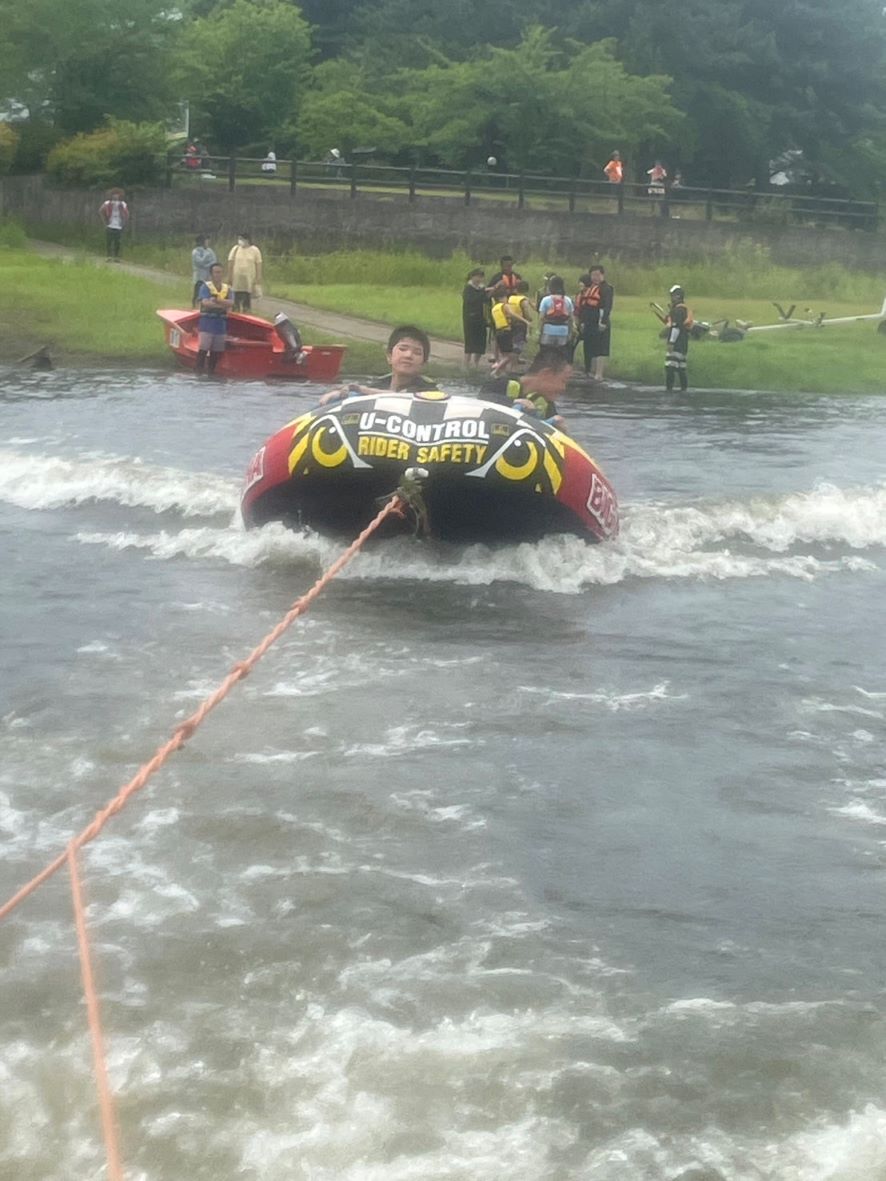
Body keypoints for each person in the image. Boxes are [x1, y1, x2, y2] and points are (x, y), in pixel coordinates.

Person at [319, 325, 437, 404]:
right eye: (403, 349)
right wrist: (338, 393)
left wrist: (359, 389)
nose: (408, 355)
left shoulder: (429, 389)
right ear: (389, 356)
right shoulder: (380, 384)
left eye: (417, 352)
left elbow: (401, 397)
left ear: (423, 364)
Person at [482, 350, 570, 430]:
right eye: (563, 381)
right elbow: (480, 401)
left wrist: (559, 430)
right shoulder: (498, 385)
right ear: (546, 374)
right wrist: (512, 402)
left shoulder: (547, 405)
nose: (563, 388)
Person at [574, 265, 614, 381]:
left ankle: (599, 374)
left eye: (597, 275)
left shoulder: (607, 288)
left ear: (602, 275)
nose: (595, 277)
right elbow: (584, 307)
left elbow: (607, 306)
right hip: (589, 322)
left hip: (601, 321)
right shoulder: (590, 288)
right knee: (590, 346)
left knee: (601, 348)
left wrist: (603, 322)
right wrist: (582, 322)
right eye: (593, 275)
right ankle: (589, 371)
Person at [195, 262, 233, 376]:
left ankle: (211, 373)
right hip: (207, 322)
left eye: (220, 272)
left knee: (216, 351)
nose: (218, 275)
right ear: (211, 274)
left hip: (220, 324)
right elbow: (206, 303)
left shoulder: (227, 289)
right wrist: (222, 305)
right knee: (204, 348)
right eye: (216, 272)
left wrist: (217, 301)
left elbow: (231, 302)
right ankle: (198, 372)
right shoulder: (205, 287)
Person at [489, 283, 529, 377]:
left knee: (505, 355)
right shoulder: (504, 306)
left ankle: (501, 373)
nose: (507, 299)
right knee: (510, 355)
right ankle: (497, 371)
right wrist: (525, 321)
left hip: (498, 332)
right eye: (505, 297)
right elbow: (512, 314)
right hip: (506, 332)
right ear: (500, 298)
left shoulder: (494, 308)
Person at [664, 284, 692, 391]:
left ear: (677, 296)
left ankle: (669, 390)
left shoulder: (677, 310)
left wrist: (671, 342)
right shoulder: (684, 310)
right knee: (681, 368)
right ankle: (684, 390)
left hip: (676, 343)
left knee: (670, 367)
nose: (671, 298)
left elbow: (676, 327)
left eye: (672, 296)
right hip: (684, 343)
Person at [226, 232, 263, 312]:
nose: (240, 241)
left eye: (241, 239)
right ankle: (236, 313)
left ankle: (246, 313)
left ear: (247, 240)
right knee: (236, 299)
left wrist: (258, 277)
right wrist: (229, 276)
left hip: (249, 279)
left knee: (247, 299)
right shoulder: (235, 249)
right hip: (237, 279)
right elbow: (230, 262)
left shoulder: (255, 250)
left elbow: (258, 264)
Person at [537, 275, 574, 351]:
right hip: (563, 331)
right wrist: (570, 333)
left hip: (548, 330)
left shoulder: (546, 300)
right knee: (560, 354)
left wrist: (539, 333)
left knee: (546, 353)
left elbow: (541, 318)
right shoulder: (568, 300)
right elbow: (571, 319)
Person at [462, 267, 488, 370]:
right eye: (477, 276)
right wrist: (483, 292)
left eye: (481, 277)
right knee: (470, 342)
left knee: (481, 341)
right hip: (470, 318)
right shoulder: (468, 288)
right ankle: (466, 364)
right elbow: (471, 300)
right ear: (472, 277)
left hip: (481, 318)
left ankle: (476, 364)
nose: (479, 279)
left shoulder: (482, 288)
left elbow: (485, 299)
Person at [98, 189, 129, 261]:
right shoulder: (107, 203)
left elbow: (127, 213)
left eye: (117, 194)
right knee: (109, 241)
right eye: (114, 194)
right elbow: (100, 211)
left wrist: (123, 222)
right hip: (110, 225)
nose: (115, 196)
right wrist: (105, 222)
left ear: (119, 196)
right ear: (111, 195)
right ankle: (109, 256)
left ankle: (116, 257)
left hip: (118, 225)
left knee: (117, 242)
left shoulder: (123, 204)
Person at [507, 280, 534, 363]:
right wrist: (529, 319)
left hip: (510, 322)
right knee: (518, 344)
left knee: (513, 342)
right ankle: (513, 365)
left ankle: (515, 360)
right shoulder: (523, 300)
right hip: (520, 324)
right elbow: (526, 313)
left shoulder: (511, 298)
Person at [191, 235, 217, 308]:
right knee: (197, 294)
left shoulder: (210, 251)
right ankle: (195, 306)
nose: (208, 242)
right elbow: (200, 263)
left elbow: (214, 261)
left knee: (207, 294)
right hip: (199, 277)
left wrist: (209, 265)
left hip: (208, 277)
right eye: (206, 241)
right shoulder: (195, 252)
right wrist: (206, 258)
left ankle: (205, 307)